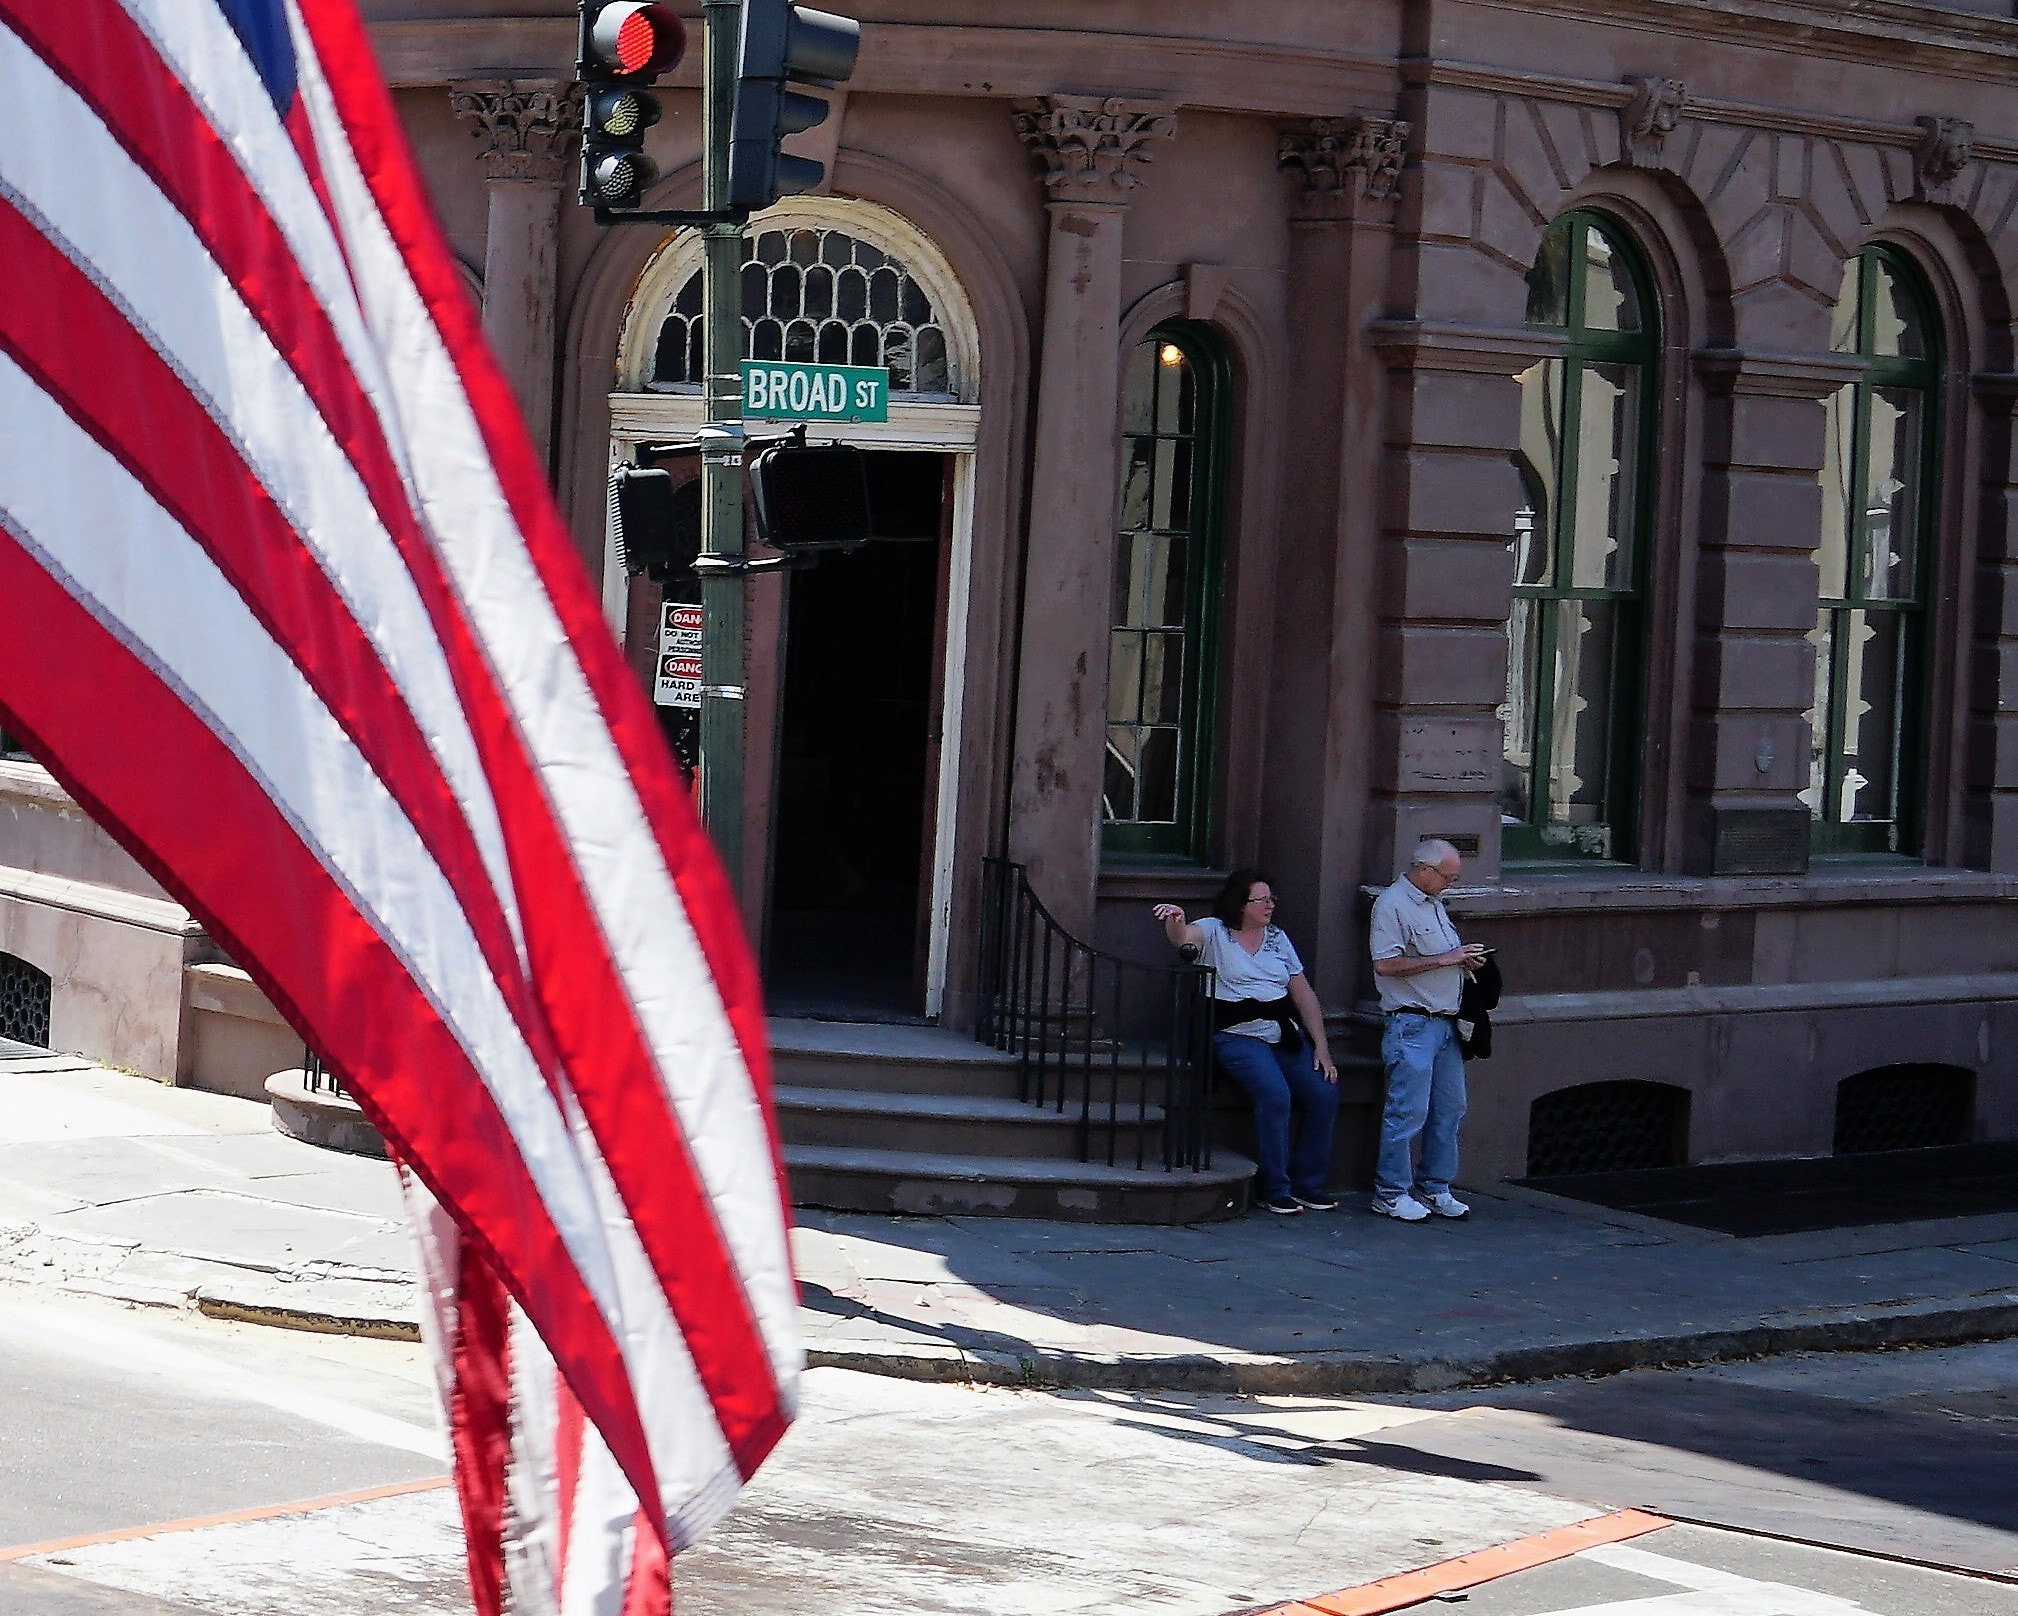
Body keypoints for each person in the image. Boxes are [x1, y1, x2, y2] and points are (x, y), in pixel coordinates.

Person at [1153, 870, 1340, 1215]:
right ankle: (1274, 1188)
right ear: (1241, 904)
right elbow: (1183, 941)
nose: (1270, 906)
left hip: (1281, 1032)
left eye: (1272, 899)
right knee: (1275, 1094)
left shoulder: (1278, 938)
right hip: (1237, 1034)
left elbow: (1303, 995)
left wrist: (1322, 1048)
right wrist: (1175, 919)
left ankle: (1308, 1184)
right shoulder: (1214, 930)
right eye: (1262, 900)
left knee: (1324, 1093)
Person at [1368, 839, 1489, 1223]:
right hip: (1412, 1021)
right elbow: (1385, 965)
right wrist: (1447, 958)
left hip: (1446, 1021)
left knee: (1450, 1108)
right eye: (1449, 877)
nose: (1451, 884)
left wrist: (1466, 959)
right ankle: (1391, 1192)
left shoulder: (1434, 903)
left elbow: (1443, 960)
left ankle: (1435, 1186)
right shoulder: (1392, 904)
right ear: (1425, 869)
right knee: (1407, 1110)